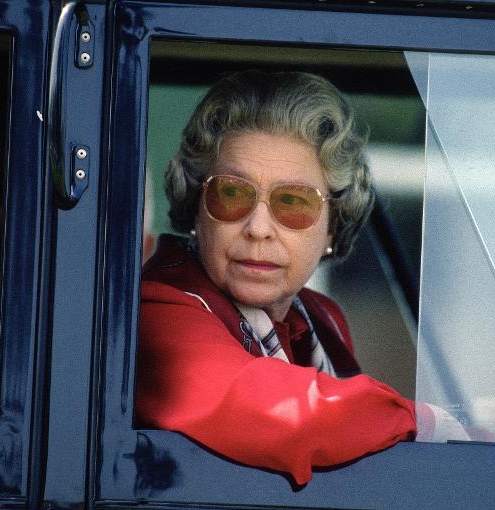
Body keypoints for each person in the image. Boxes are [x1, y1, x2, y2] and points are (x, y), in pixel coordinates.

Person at [135, 70, 462, 485]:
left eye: (293, 202)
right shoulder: (159, 311)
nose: (258, 227)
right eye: (232, 193)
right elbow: (272, 414)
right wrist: (422, 420)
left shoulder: (319, 320)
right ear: (198, 208)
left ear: (331, 226)